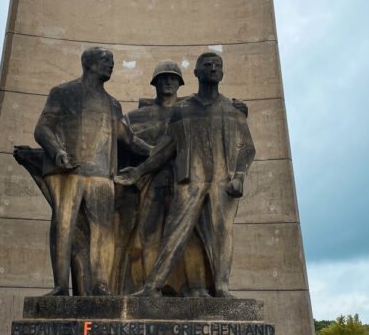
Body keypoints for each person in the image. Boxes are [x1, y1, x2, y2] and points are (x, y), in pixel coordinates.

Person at [115, 52, 255, 298]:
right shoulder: (183, 110)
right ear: (197, 72)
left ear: (222, 73)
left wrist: (240, 176)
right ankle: (151, 287)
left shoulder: (232, 110)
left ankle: (222, 287)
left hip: (223, 185)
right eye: (207, 65)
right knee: (174, 233)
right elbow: (166, 149)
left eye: (217, 66)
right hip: (189, 182)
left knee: (222, 234)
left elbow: (247, 148)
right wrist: (139, 171)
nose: (212, 69)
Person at [34, 46, 149, 296]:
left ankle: (101, 284)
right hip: (67, 172)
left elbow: (128, 139)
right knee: (64, 225)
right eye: (106, 60)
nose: (111, 65)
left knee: (103, 231)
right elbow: (43, 128)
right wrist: (57, 152)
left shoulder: (113, 104)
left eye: (113, 61)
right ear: (88, 63)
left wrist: (159, 152)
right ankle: (61, 286)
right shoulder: (63, 93)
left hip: (101, 176)